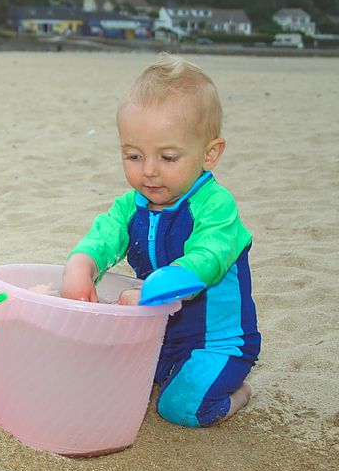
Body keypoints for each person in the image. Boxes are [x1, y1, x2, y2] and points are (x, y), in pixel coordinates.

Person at [61, 54, 261, 428]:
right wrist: (80, 265)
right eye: (134, 155)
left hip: (216, 343)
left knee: (181, 408)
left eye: (168, 157)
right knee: (96, 371)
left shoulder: (216, 207)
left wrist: (154, 289)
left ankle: (239, 394)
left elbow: (207, 259)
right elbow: (102, 237)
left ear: (209, 153)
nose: (149, 170)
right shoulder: (130, 206)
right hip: (157, 334)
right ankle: (166, 369)